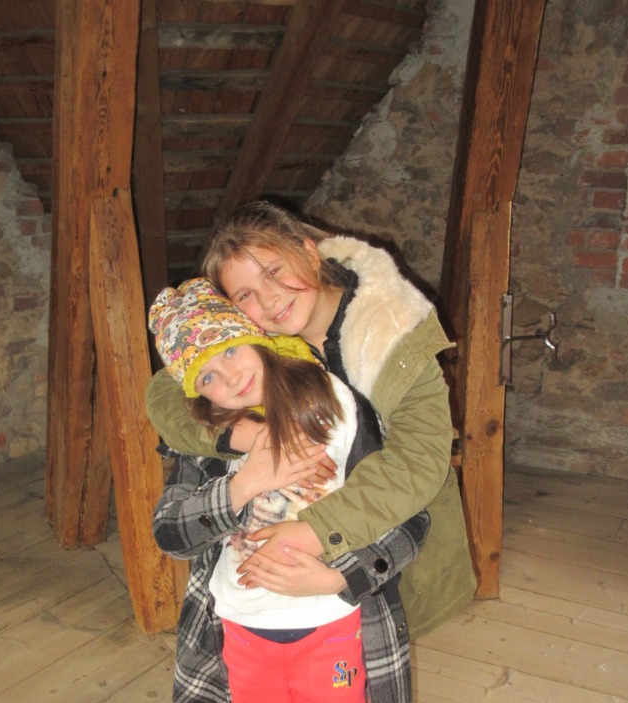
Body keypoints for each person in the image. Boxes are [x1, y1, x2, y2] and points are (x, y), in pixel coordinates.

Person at [148, 278, 429, 703]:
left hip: (327, 633)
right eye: (206, 375)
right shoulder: (207, 435)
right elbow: (170, 529)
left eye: (228, 350)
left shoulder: (335, 403)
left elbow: (404, 514)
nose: (227, 377)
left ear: (254, 336)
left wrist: (339, 574)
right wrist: (246, 479)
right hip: (246, 634)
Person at [146, 199, 475, 644]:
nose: (268, 298)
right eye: (245, 295)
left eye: (274, 271)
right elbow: (163, 393)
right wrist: (246, 435)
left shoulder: (394, 329)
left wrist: (316, 532)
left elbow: (418, 461)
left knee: (364, 671)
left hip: (381, 548)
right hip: (267, 595)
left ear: (307, 251)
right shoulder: (246, 341)